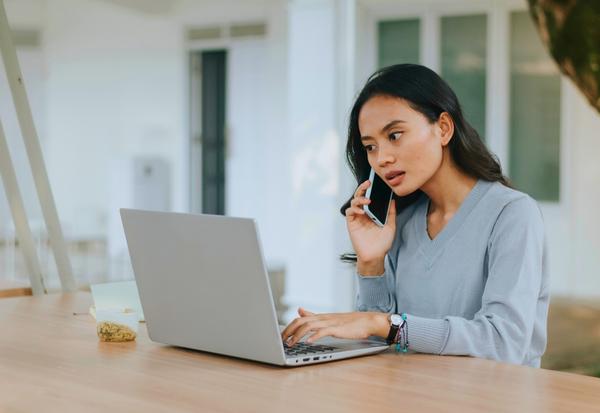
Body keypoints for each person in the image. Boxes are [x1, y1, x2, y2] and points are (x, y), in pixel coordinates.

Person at [281, 64, 549, 367]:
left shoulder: (512, 214)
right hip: (414, 396)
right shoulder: (403, 221)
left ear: (443, 128)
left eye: (395, 135)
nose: (382, 158)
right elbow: (376, 341)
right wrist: (371, 263)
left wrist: (385, 324)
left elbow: (503, 342)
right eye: (371, 146)